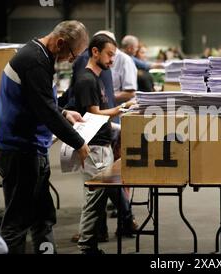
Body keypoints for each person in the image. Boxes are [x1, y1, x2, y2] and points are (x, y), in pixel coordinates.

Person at [0, 20, 90, 254]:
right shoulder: (34, 61)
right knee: (18, 222)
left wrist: (64, 112)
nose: (71, 60)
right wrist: (78, 143)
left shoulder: (41, 57)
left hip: (31, 150)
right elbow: (45, 111)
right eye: (73, 54)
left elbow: (40, 102)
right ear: (60, 43)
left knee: (43, 217)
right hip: (19, 152)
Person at [73, 34, 135, 254]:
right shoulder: (87, 80)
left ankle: (98, 237)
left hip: (103, 146)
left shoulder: (100, 78)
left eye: (114, 56)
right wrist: (122, 108)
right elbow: (94, 114)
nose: (112, 60)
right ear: (95, 52)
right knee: (94, 198)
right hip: (95, 148)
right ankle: (86, 244)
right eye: (109, 55)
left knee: (101, 197)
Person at [112, 35, 138, 104]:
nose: (137, 50)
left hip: (119, 109)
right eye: (136, 47)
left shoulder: (126, 60)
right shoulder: (125, 59)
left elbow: (130, 93)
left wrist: (106, 98)